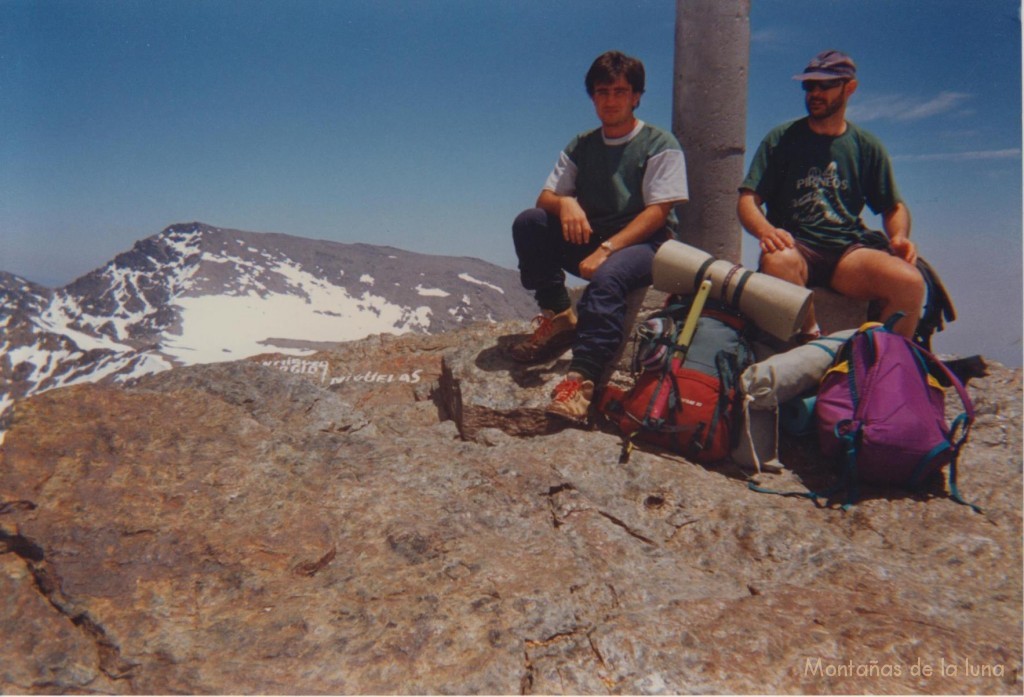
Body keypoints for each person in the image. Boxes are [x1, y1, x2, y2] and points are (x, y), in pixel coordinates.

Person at [509, 50, 689, 422]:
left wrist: (608, 249)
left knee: (607, 280)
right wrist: (568, 205)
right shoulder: (583, 144)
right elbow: (545, 197)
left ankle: (582, 381)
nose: (610, 100)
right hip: (593, 237)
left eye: (620, 91)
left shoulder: (659, 144)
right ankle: (559, 315)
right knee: (530, 222)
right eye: (602, 91)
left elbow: (658, 213)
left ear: (636, 96)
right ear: (592, 96)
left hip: (646, 244)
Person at [737, 49, 925, 342]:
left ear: (849, 88)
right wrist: (766, 230)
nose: (815, 93)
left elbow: (893, 206)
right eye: (809, 85)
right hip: (797, 247)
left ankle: (885, 365)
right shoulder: (782, 138)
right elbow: (748, 199)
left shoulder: (865, 145)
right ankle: (811, 340)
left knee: (910, 282)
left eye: (824, 85)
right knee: (778, 259)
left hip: (846, 253)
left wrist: (899, 236)